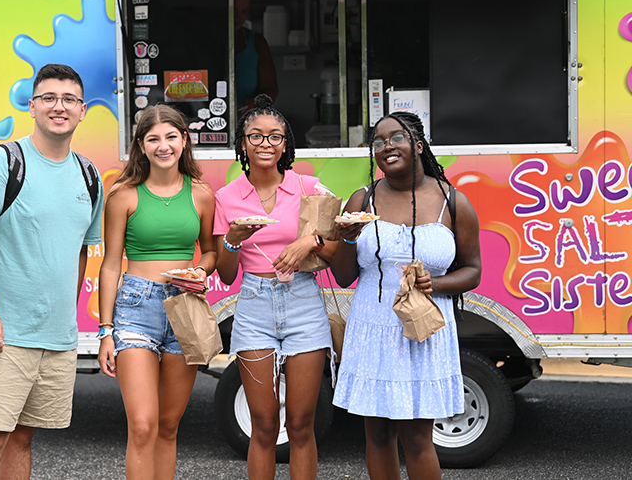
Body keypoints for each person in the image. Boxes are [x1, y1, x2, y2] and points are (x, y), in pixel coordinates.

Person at [0, 63, 103, 480]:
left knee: (22, 438)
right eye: (50, 98)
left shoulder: (90, 176)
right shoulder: (3, 163)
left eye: (69, 99)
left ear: (83, 110)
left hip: (52, 335)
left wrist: (64, 314)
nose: (60, 107)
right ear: (33, 106)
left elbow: (80, 252)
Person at [330, 112, 481, 480]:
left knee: (416, 437)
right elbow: (345, 276)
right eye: (378, 142)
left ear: (417, 144)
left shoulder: (453, 202)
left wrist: (438, 283)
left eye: (395, 138)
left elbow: (473, 270)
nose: (386, 147)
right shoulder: (362, 198)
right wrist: (346, 236)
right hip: (372, 324)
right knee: (377, 434)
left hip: (423, 330)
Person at [214, 94, 335, 480]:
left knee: (301, 425)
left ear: (286, 144)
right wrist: (232, 238)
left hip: (303, 301)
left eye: (274, 137)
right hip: (253, 304)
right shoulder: (227, 196)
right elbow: (227, 273)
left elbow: (336, 246)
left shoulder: (308, 186)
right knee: (263, 426)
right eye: (256, 136)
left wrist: (310, 241)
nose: (266, 144)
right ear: (243, 143)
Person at [97, 104, 216, 480]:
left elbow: (211, 251)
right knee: (143, 425)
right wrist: (105, 331)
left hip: (185, 308)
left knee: (168, 425)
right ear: (141, 146)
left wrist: (201, 268)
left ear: (184, 140)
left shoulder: (201, 194)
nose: (163, 146)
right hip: (135, 307)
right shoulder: (123, 194)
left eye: (171, 137)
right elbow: (111, 264)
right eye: (153, 139)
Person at [235, 0, 278, 114]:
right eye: (233, 10)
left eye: (244, 11)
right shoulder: (203, 41)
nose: (237, 17)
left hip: (248, 126)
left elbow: (270, 88)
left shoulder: (257, 43)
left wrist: (257, 102)